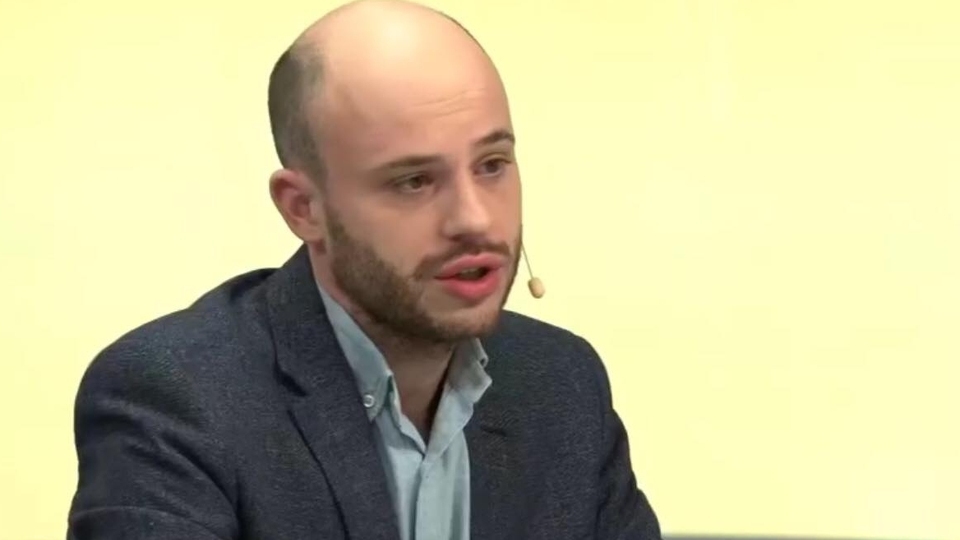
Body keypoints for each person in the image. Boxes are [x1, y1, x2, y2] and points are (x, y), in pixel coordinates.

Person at [66, 1, 662, 539]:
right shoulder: (175, 397)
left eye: (492, 164)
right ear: (304, 209)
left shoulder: (562, 383)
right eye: (414, 181)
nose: (475, 219)